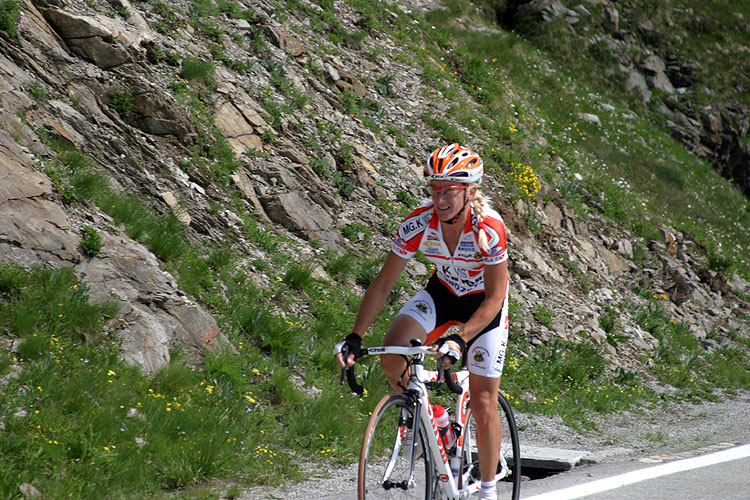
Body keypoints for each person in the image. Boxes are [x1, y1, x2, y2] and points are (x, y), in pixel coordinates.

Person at [334, 143, 510, 500]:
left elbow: (494, 297)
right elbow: (384, 283)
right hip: (442, 293)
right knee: (392, 355)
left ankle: (489, 490)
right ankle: (438, 422)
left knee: (483, 401)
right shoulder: (418, 223)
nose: (440, 198)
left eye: (449, 190)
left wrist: (460, 339)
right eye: (434, 189)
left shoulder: (489, 229)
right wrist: (355, 335)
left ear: (470, 192)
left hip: (483, 306)